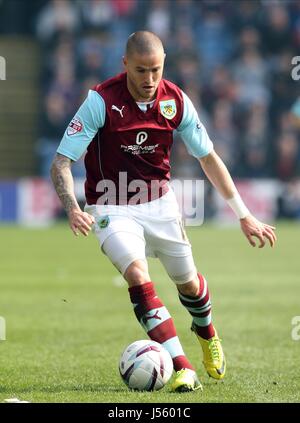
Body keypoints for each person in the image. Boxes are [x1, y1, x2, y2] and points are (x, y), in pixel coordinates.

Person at [50, 31, 277, 392]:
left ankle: (207, 332)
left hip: (161, 204)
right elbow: (61, 162)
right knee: (138, 277)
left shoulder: (176, 101)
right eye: (141, 70)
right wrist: (73, 208)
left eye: (156, 70)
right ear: (125, 65)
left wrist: (243, 214)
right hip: (112, 205)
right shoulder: (100, 101)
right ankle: (182, 367)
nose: (149, 79)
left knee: (188, 283)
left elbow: (208, 157)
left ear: (164, 64)